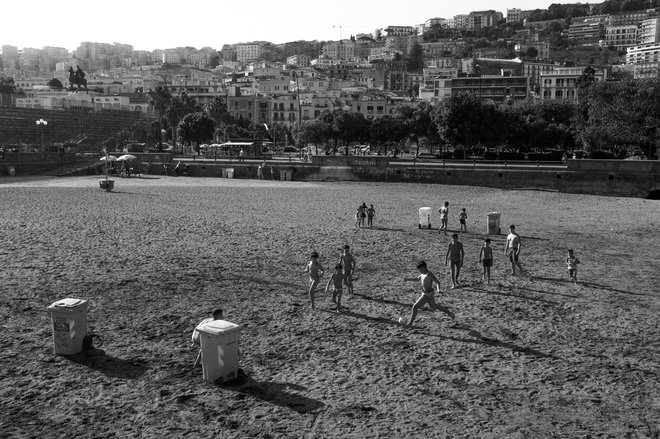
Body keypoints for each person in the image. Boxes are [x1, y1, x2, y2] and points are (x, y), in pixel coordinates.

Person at [402, 261, 455, 328]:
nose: (420, 271)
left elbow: (437, 282)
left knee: (415, 307)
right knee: (434, 306)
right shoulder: (422, 274)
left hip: (427, 295)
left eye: (420, 269)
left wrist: (438, 290)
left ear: (424, 268)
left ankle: (410, 323)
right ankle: (449, 313)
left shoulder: (429, 274)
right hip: (426, 294)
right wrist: (407, 279)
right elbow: (416, 279)